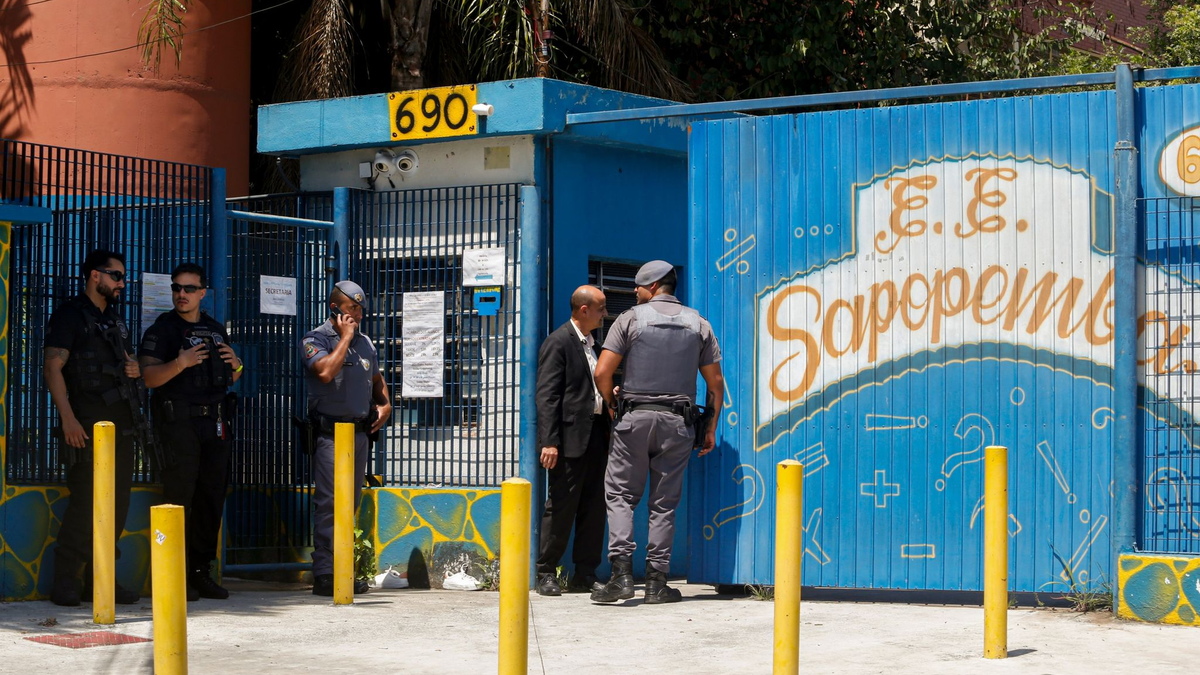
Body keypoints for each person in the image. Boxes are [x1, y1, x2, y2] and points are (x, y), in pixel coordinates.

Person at [590, 260, 724, 605]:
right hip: (678, 424)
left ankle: (621, 576)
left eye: (637, 286)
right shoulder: (699, 324)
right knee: (664, 505)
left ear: (652, 286)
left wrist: (612, 404)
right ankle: (656, 583)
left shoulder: (629, 319)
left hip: (633, 419)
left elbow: (602, 372)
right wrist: (710, 427)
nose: (634, 291)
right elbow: (715, 383)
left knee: (620, 495)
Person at [43, 249, 143, 607]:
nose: (121, 283)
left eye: (123, 277)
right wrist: (68, 418)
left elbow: (127, 363)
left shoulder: (115, 319)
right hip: (86, 424)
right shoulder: (70, 315)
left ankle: (101, 581)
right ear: (94, 276)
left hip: (122, 425)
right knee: (85, 503)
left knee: (116, 506)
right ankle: (66, 580)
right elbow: (52, 367)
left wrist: (134, 368)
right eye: (116, 276)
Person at [139, 263, 242, 601]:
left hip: (216, 424)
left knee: (210, 499)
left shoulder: (215, 329)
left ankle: (200, 572)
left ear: (202, 293)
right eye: (176, 288)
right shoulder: (163, 330)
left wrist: (237, 364)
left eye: (188, 289)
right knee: (178, 498)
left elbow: (231, 376)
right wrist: (180, 363)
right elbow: (149, 378)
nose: (181, 294)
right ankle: (173, 574)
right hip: (179, 424)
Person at [300, 280, 392, 597]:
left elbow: (375, 377)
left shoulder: (365, 342)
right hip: (330, 435)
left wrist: (385, 403)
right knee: (329, 503)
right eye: (352, 308)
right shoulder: (315, 339)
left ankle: (343, 568)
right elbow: (325, 372)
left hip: (359, 434)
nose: (358, 314)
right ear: (334, 308)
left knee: (349, 504)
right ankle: (326, 573)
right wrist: (346, 338)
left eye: (361, 308)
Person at [534, 285, 611, 596]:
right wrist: (549, 441)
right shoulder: (559, 342)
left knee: (594, 507)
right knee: (561, 507)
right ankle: (546, 573)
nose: (605, 314)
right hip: (568, 440)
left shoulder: (595, 346)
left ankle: (585, 573)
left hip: (596, 437)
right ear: (584, 310)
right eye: (601, 308)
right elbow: (547, 395)